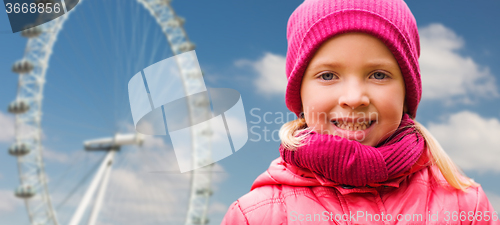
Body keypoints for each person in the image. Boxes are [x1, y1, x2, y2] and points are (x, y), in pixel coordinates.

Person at [221, 0, 498, 224]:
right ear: (300, 95)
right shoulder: (256, 216)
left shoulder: (467, 208)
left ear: (406, 92)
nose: (354, 98)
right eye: (328, 75)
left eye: (378, 75)